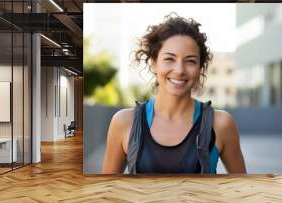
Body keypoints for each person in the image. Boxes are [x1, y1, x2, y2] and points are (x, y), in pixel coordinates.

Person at [102, 14, 246, 174]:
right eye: (169, 59)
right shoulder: (124, 123)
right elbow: (107, 192)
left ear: (199, 68)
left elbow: (242, 190)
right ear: (154, 63)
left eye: (190, 61)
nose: (179, 70)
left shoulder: (221, 124)